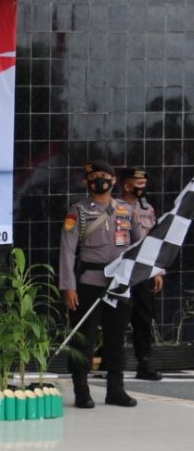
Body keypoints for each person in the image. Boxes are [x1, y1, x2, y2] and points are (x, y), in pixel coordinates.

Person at [59, 160, 144, 409]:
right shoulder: (79, 212)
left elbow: (140, 245)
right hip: (89, 283)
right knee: (83, 339)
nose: (100, 179)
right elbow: (67, 251)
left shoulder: (126, 211)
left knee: (116, 338)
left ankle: (116, 390)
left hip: (118, 285)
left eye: (104, 175)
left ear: (114, 180)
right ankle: (82, 391)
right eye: (94, 176)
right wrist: (68, 286)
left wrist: (152, 271)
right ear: (87, 181)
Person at [120, 167, 164, 380]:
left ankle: (144, 361)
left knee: (144, 317)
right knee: (117, 317)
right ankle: (111, 359)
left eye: (144, 185)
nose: (142, 189)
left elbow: (155, 241)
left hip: (143, 271)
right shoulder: (113, 208)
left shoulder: (148, 209)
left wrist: (157, 271)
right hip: (120, 271)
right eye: (138, 186)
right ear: (126, 186)